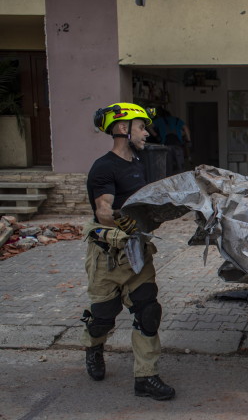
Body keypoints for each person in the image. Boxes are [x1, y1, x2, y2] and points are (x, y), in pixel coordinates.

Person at [83, 102, 175, 400]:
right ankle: (94, 347)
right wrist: (129, 223)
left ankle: (145, 377)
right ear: (123, 128)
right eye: (141, 127)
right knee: (103, 317)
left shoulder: (140, 162)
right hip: (108, 256)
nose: (146, 133)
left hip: (137, 253)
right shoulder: (104, 167)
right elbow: (104, 212)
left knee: (148, 311)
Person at [152, 107, 191, 175]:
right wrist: (188, 140)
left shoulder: (159, 120)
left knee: (167, 168)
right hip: (178, 146)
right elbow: (186, 129)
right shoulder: (177, 120)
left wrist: (155, 135)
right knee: (180, 167)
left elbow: (149, 126)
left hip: (165, 147)